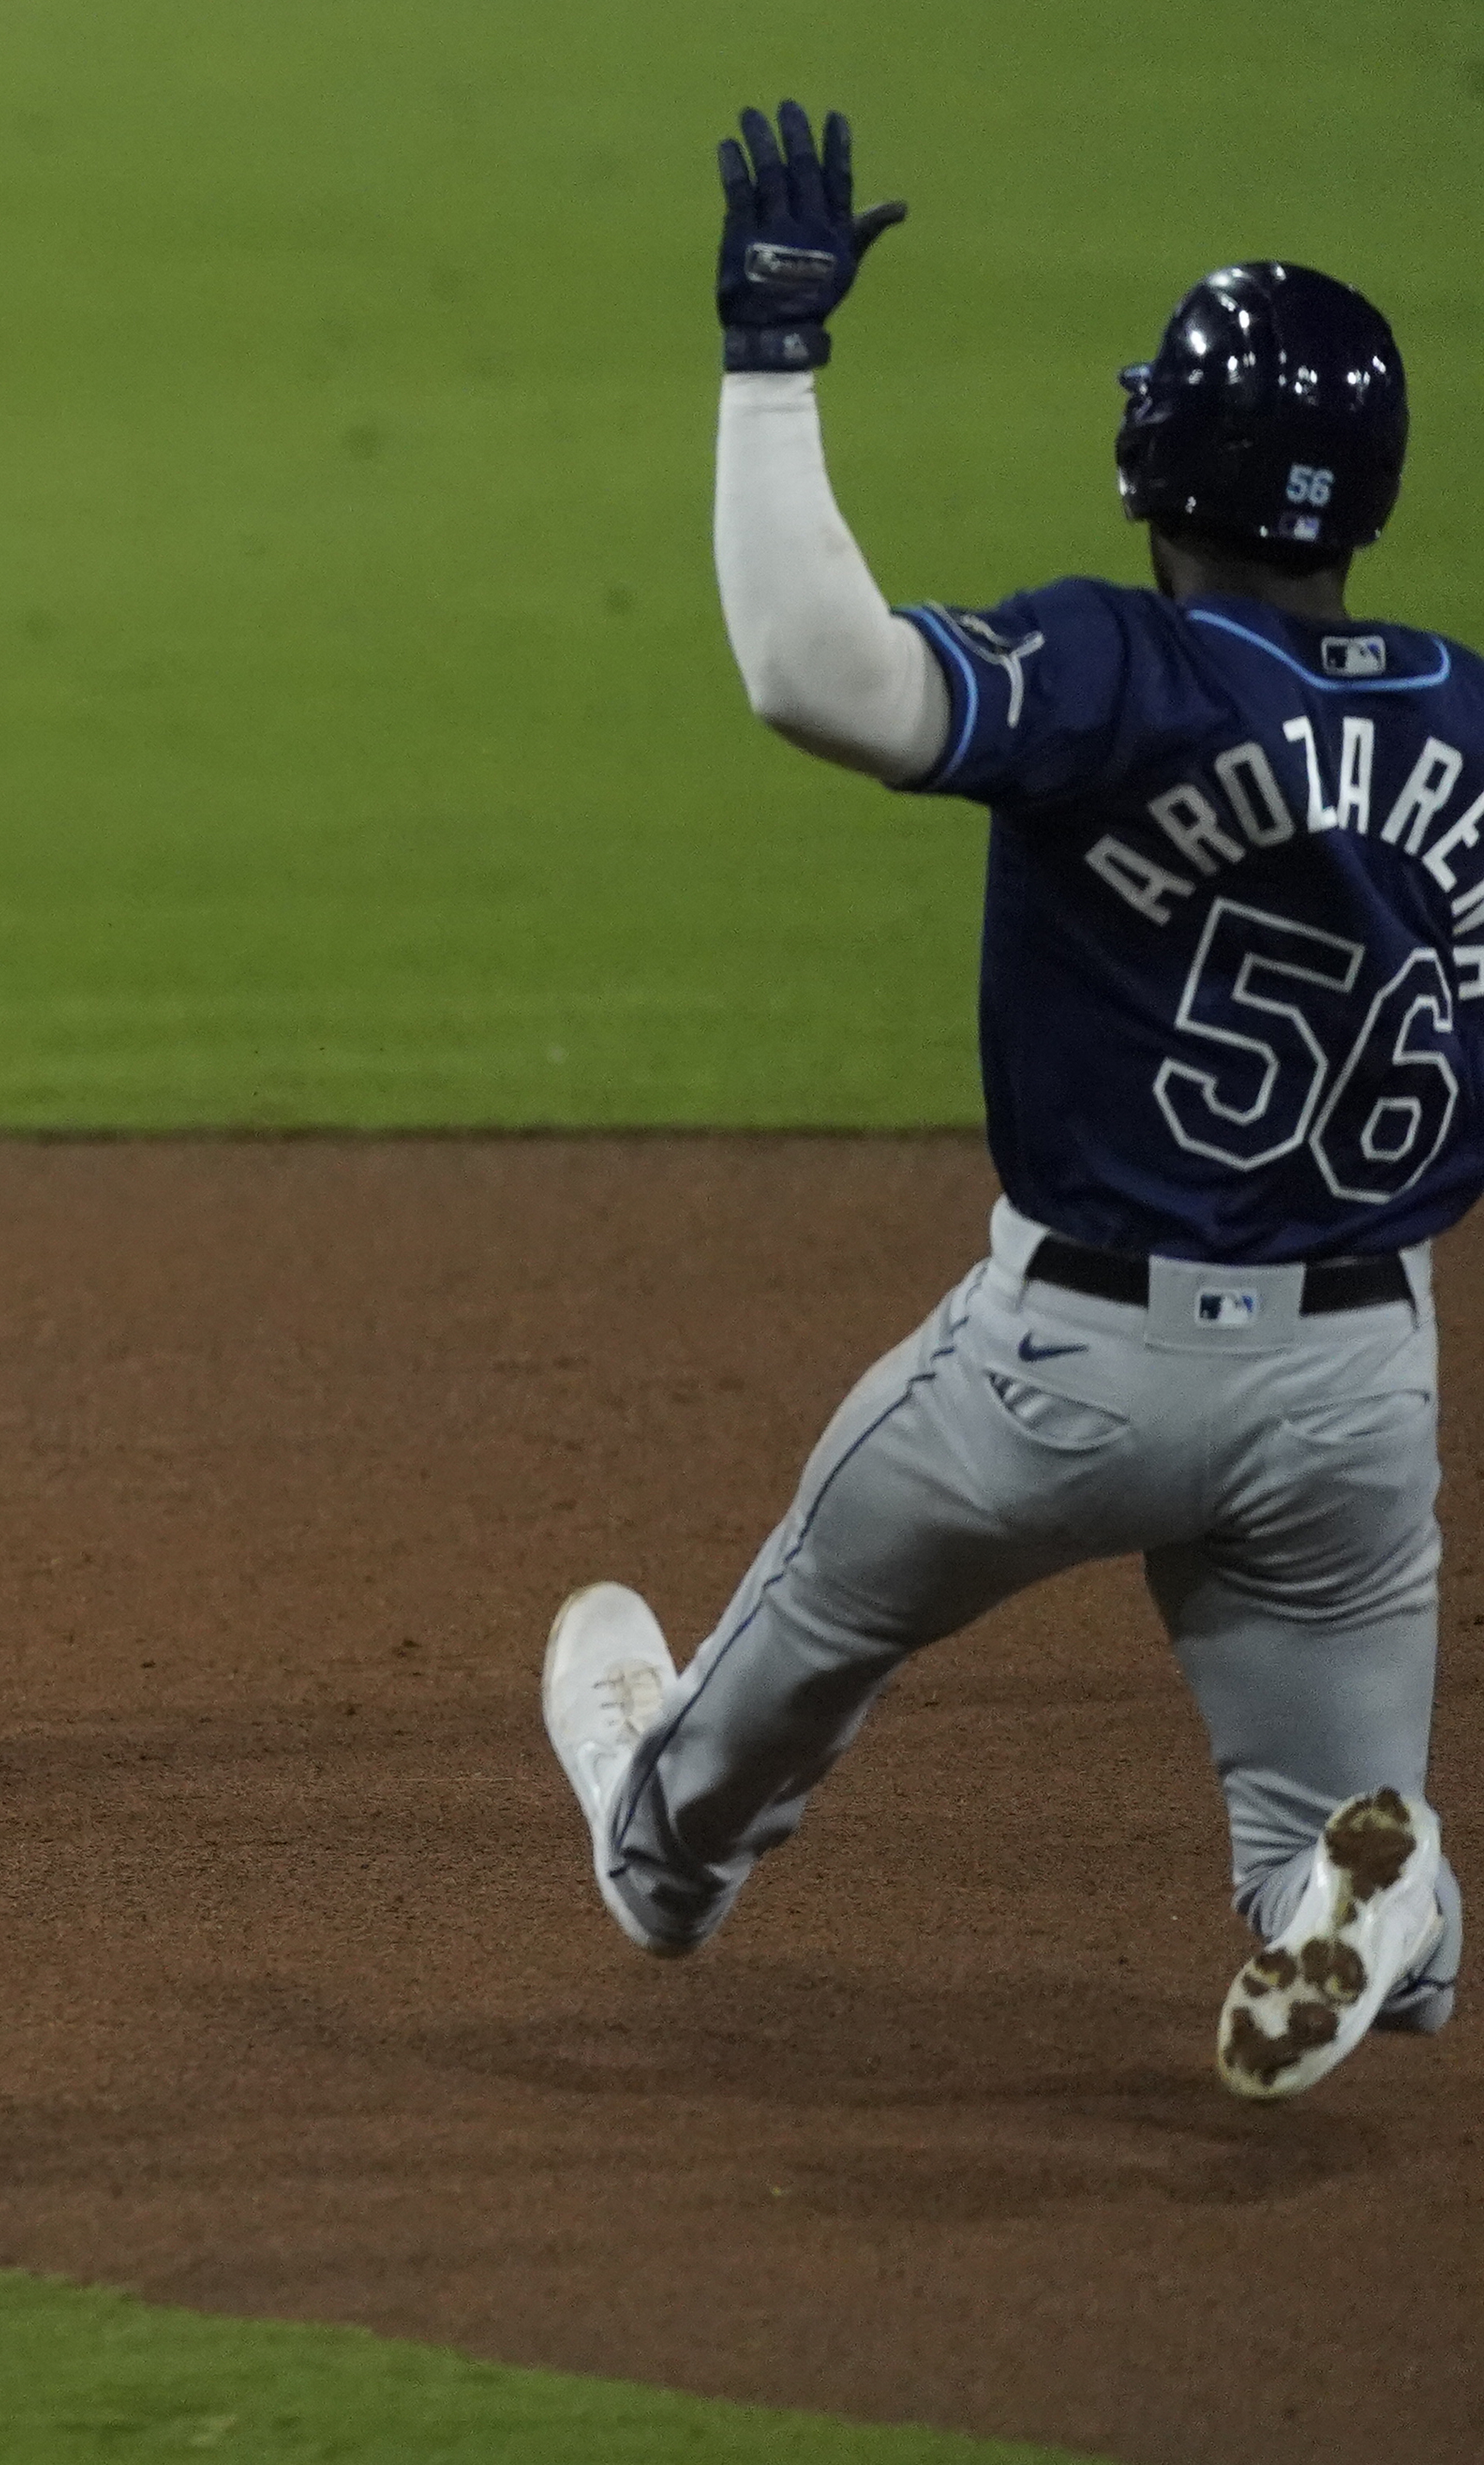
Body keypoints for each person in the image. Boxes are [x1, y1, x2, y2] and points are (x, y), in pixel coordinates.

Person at [541, 104, 1460, 2099]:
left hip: (1058, 1373)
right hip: (1354, 1391)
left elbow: (816, 672)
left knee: (789, 1656)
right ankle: (1379, 1884)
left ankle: (672, 1852)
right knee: (1335, 1842)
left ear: (1156, 458)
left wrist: (772, 365)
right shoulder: (1464, 715)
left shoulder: (1115, 669)